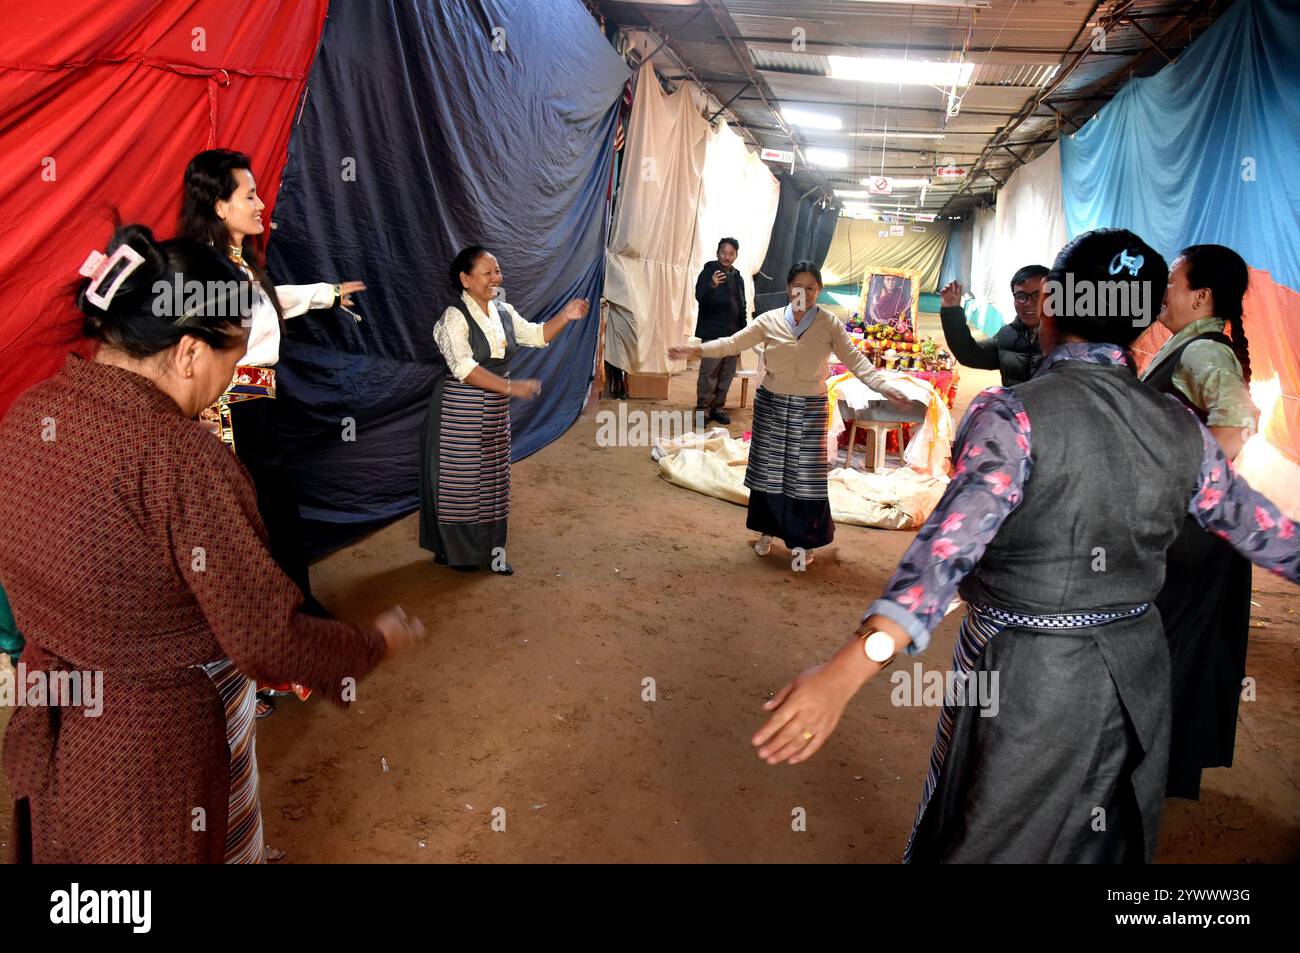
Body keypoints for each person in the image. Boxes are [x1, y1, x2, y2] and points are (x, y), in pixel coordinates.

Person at [751, 230, 1299, 863]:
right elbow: (1269, 534)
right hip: (1141, 677)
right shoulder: (1181, 428)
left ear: (1056, 304)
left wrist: (849, 669)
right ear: (1142, 320)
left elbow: (944, 556)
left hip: (1032, 682)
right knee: (1104, 841)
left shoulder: (1012, 415)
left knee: (991, 836)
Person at [0, 226, 424, 863]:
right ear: (190, 352)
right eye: (233, 360)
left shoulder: (32, 414)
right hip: (146, 747)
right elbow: (267, 638)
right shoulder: (179, 456)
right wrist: (367, 647)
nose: (232, 381)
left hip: (54, 712)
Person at [179, 148, 362, 622]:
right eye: (250, 195)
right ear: (219, 206)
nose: (261, 204)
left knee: (273, 519)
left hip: (255, 409)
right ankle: (260, 650)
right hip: (230, 414)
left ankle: (287, 625)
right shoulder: (206, 270)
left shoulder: (233, 266)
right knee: (247, 527)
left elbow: (263, 302)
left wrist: (326, 294)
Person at [670, 261, 911, 569]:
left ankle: (802, 542)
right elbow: (734, 343)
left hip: (810, 407)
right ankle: (766, 532)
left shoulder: (829, 324)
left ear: (819, 290)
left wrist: (886, 387)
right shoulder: (769, 321)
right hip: (772, 403)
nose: (805, 293)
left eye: (812, 288)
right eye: (799, 286)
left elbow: (857, 363)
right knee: (769, 473)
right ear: (788, 288)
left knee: (805, 477)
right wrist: (697, 350)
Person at [1141, 244, 1258, 799]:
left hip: (1193, 536)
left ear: (1201, 296)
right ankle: (1161, 768)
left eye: (1172, 281)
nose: (1164, 292)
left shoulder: (1206, 354)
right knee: (1171, 649)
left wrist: (1177, 488)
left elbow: (1235, 427)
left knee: (1170, 649)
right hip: (1190, 533)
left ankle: (1157, 773)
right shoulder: (1189, 347)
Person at [421, 246, 587, 575]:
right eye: (488, 272)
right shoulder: (453, 317)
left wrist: (566, 316)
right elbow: (465, 369)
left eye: (497, 271)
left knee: (494, 484)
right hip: (460, 413)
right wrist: (513, 388)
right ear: (465, 279)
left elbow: (536, 335)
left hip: (494, 412)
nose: (496, 278)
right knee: (462, 486)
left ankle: (491, 552)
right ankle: (459, 553)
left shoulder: (503, 311)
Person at [939, 264, 1049, 386]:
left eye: (1037, 295)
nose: (1028, 303)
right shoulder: (1008, 335)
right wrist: (951, 310)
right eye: (1021, 296)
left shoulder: (1067, 341)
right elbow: (970, 354)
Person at [692, 237, 748, 425]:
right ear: (717, 253)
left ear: (736, 256)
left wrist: (743, 333)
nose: (727, 256)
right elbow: (700, 297)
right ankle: (702, 412)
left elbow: (742, 304)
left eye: (731, 253)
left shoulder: (738, 277)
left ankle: (717, 408)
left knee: (726, 374)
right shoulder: (709, 272)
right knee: (708, 374)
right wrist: (713, 285)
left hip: (732, 336)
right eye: (724, 252)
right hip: (713, 334)